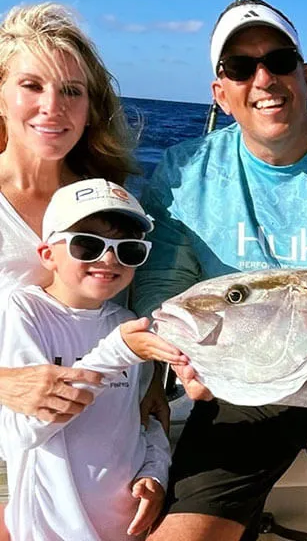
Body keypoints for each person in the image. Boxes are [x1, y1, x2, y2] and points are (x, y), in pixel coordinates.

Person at [133, 0, 307, 541]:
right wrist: (182, 362)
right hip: (242, 385)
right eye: (239, 67)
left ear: (305, 77)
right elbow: (162, 292)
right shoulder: (185, 171)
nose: (263, 79)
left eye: (278, 61)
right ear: (220, 93)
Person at [0, 2, 169, 540]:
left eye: (72, 90)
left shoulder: (111, 201)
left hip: (95, 447)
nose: (53, 107)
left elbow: (124, 314)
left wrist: (150, 402)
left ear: (92, 106)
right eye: (32, 85)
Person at [0, 178, 181, 540]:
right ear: (47, 254)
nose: (109, 258)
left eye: (128, 250)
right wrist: (117, 353)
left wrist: (155, 472)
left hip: (128, 529)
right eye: (88, 245)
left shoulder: (128, 325)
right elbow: (25, 430)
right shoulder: (25, 312)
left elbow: (145, 424)